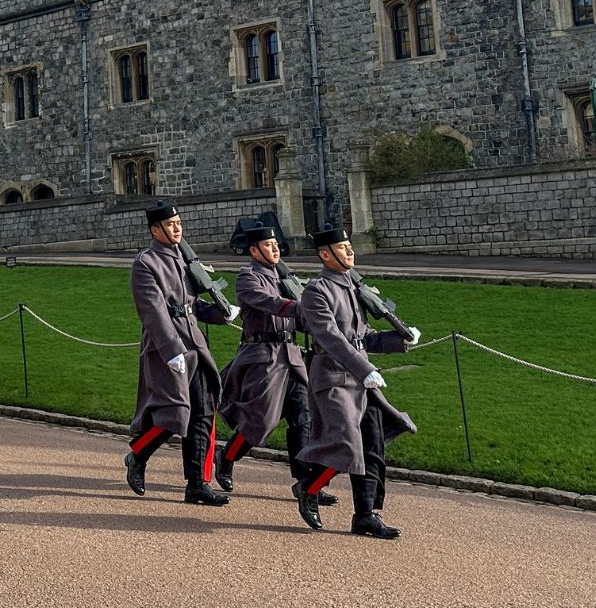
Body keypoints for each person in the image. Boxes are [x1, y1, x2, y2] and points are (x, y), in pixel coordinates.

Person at [294, 225, 414, 539]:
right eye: (343, 247)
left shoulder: (353, 287)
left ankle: (366, 514)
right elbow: (331, 338)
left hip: (361, 378)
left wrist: (400, 339)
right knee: (346, 444)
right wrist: (364, 369)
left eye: (349, 246)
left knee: (372, 446)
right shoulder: (316, 290)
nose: (350, 251)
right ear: (325, 254)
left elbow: (362, 337)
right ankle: (309, 487)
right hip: (333, 378)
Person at [214, 219, 336, 506]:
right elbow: (267, 302)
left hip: (292, 356)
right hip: (263, 357)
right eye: (268, 246)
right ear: (254, 251)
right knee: (262, 420)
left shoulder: (286, 277)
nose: (275, 250)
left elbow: (301, 317)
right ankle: (226, 456)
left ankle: (305, 482)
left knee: (302, 418)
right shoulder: (248, 277)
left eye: (276, 245)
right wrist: (302, 306)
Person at [124, 199, 238, 506]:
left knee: (203, 412)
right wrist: (171, 350)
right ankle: (138, 453)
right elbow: (153, 312)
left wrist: (221, 313)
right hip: (166, 348)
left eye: (179, 224)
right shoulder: (146, 263)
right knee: (172, 413)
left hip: (195, 344)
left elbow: (192, 307)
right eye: (171, 225)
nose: (178, 229)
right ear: (155, 229)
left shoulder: (185, 260)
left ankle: (198, 483)